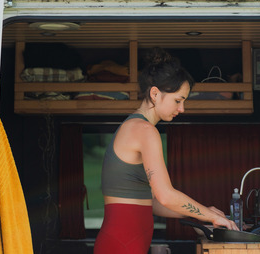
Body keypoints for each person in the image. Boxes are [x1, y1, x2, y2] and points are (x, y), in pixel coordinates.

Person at [94, 48, 239, 254]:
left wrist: (201, 214)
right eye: (178, 100)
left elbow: (152, 203)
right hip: (123, 245)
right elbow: (166, 195)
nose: (182, 109)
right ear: (155, 93)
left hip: (123, 243)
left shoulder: (135, 127)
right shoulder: (144, 130)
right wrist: (209, 215)